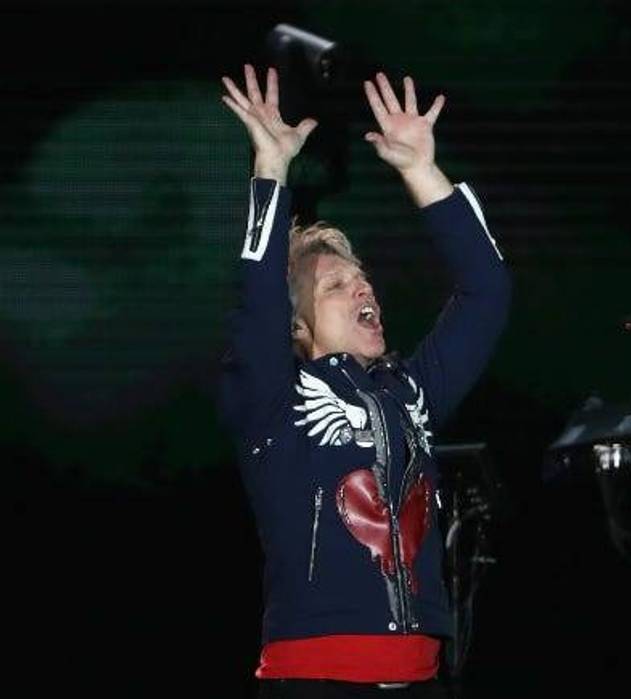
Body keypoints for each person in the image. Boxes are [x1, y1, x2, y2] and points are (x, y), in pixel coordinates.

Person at [218, 63, 510, 697]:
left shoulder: (414, 392)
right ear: (297, 326)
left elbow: (487, 291)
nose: (363, 286)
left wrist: (420, 170)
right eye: (336, 285)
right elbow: (258, 299)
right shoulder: (272, 402)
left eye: (363, 278)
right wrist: (271, 167)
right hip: (314, 682)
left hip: (422, 681)